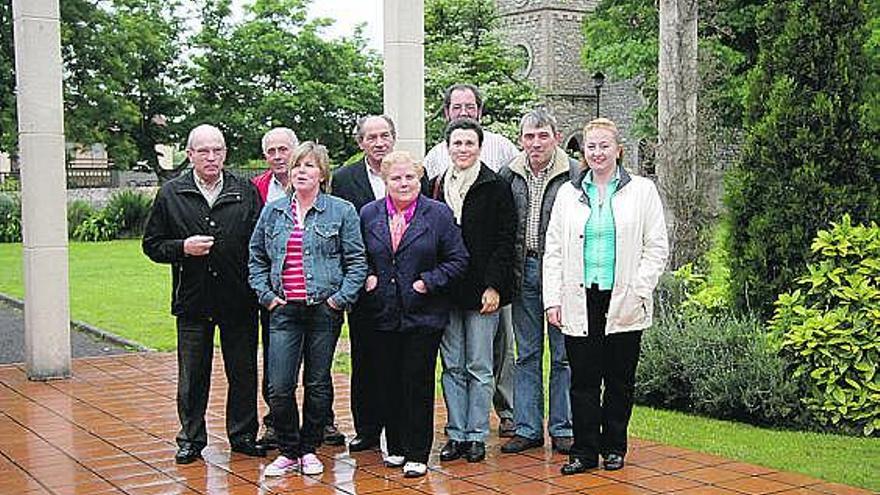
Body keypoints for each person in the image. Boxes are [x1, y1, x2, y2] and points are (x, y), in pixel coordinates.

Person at [543, 118, 668, 475]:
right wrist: (553, 299)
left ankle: (614, 447)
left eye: (604, 146)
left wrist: (639, 289)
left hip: (624, 299)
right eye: (591, 147)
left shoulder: (642, 191)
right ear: (583, 151)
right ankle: (584, 451)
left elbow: (656, 247)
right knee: (582, 380)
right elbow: (553, 251)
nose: (597, 153)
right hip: (579, 299)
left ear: (618, 149)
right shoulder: (569, 194)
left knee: (619, 379)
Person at [143, 124, 264, 464]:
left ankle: (242, 436)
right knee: (193, 375)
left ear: (225, 153)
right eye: (204, 151)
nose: (212, 157)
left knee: (243, 372)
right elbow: (152, 245)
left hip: (239, 298)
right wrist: (182, 247)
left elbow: (259, 242)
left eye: (218, 150)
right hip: (193, 300)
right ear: (190, 153)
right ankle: (191, 439)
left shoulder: (245, 189)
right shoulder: (171, 193)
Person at [248, 141, 367, 477]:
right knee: (280, 386)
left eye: (310, 166)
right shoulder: (273, 211)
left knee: (317, 384)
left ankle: (309, 448)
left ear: (322, 173)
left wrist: (338, 300)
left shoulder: (341, 211)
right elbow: (256, 258)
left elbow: (356, 261)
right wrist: (267, 297)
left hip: (323, 311)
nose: (301, 171)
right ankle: (288, 450)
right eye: (298, 165)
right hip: (283, 311)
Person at [359, 151, 469, 477]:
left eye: (410, 177)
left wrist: (429, 282)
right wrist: (367, 276)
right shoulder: (368, 214)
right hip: (383, 312)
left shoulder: (438, 214)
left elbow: (458, 259)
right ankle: (395, 446)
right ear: (385, 180)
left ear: (419, 179)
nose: (404, 183)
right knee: (387, 379)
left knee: (416, 381)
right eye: (396, 178)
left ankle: (418, 451)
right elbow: (356, 253)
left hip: (424, 314)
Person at [424, 83, 519, 438]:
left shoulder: (496, 187)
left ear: (480, 147)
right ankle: (456, 432)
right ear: (447, 149)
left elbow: (504, 241)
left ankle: (477, 433)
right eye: (457, 143)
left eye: (469, 143)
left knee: (480, 365)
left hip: (483, 292)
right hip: (448, 290)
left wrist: (494, 286)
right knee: (452, 366)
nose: (463, 149)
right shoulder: (434, 187)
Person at [331, 115, 427, 452]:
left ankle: (400, 431)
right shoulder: (344, 179)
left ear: (394, 137)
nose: (379, 142)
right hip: (366, 284)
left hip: (405, 287)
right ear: (361, 143)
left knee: (399, 362)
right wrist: (362, 274)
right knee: (366, 359)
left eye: (385, 135)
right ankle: (368, 428)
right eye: (371, 137)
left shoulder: (411, 174)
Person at [499, 108, 579, 455]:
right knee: (526, 353)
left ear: (556, 138)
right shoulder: (509, 174)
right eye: (529, 136)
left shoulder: (575, 174)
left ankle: (562, 427)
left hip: (561, 274)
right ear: (521, 139)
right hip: (523, 271)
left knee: (563, 355)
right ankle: (528, 427)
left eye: (543, 135)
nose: (536, 143)